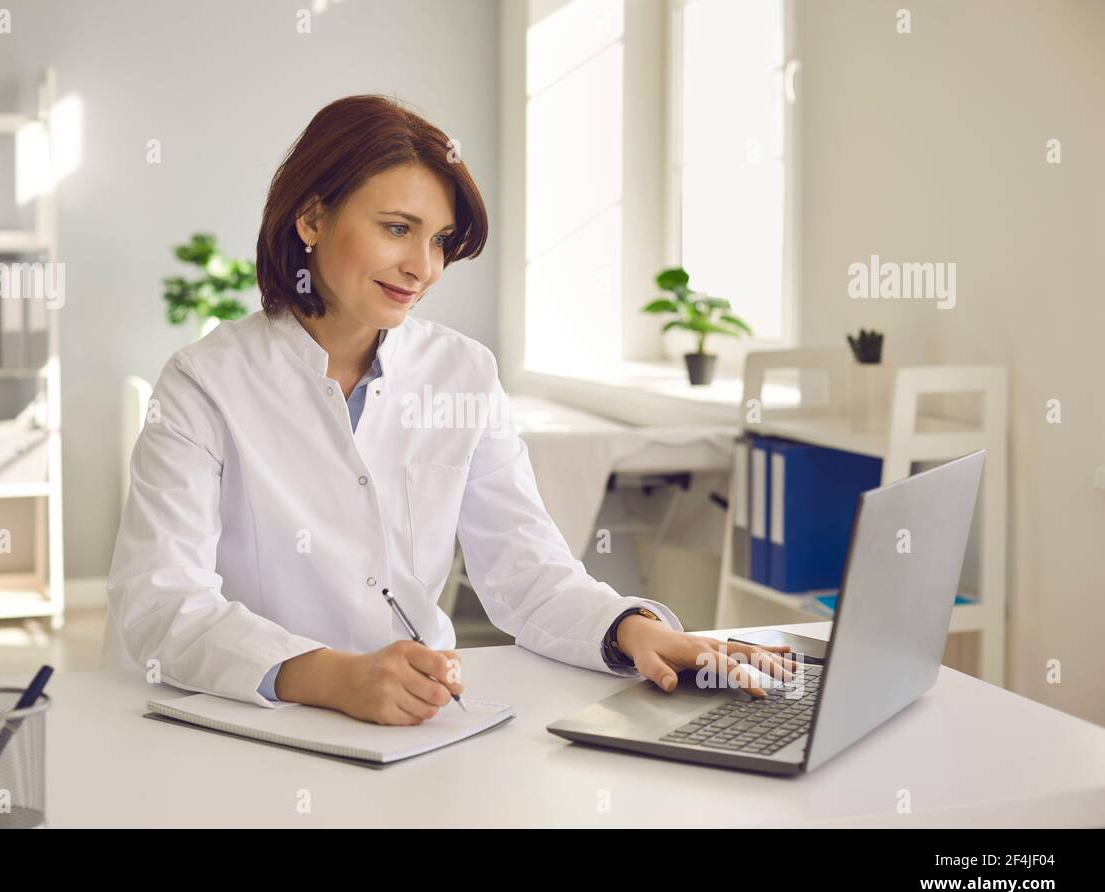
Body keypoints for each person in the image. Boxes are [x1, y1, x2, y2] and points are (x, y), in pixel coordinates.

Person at [106, 94, 794, 726]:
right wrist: (332, 677)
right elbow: (161, 601)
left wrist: (634, 630)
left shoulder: (463, 372)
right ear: (311, 218)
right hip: (252, 724)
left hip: (422, 721)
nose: (423, 267)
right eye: (398, 228)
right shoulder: (205, 382)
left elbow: (527, 573)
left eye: (438, 240)